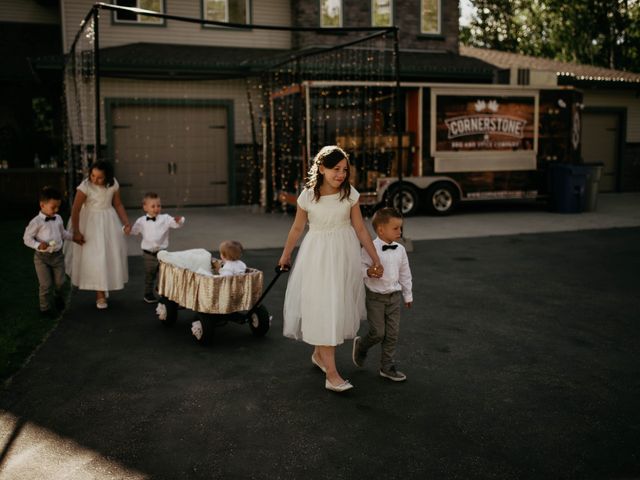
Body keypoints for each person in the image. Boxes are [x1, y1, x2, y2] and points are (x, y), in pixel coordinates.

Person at [278, 145, 383, 393]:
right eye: (336, 169)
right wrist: (285, 255)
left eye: (344, 170)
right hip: (318, 257)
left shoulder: (349, 194)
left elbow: (359, 229)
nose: (341, 175)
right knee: (325, 308)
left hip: (344, 256)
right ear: (321, 168)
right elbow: (296, 229)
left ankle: (318, 355)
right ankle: (332, 374)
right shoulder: (308, 196)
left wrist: (375, 257)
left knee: (337, 305)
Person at [353, 207, 413, 382]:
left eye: (400, 228)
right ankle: (362, 345)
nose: (399, 231)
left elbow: (405, 273)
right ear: (381, 230)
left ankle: (387, 367)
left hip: (394, 297)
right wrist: (369, 272)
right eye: (395, 228)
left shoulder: (401, 250)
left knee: (392, 334)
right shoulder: (370, 248)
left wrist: (407, 295)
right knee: (378, 333)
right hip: (375, 298)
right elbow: (359, 268)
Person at [66, 160, 130, 309]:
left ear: (107, 177)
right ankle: (99, 293)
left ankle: (104, 284)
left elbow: (118, 204)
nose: (95, 179)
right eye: (93, 175)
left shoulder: (113, 184)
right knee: (95, 256)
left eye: (99, 177)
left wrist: (126, 222)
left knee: (108, 254)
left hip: (108, 221)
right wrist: (76, 231)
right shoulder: (86, 186)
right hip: (90, 222)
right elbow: (75, 209)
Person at [23, 186, 72, 317]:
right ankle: (44, 309)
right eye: (53, 207)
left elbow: (63, 234)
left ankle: (58, 296)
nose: (56, 210)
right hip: (41, 258)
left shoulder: (59, 218)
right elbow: (26, 238)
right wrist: (38, 245)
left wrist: (74, 237)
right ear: (42, 205)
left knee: (61, 283)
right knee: (45, 284)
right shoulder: (36, 222)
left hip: (58, 256)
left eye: (58, 207)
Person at [129, 192, 185, 303]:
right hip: (148, 254)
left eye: (158, 206)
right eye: (153, 206)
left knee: (164, 274)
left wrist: (179, 221)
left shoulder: (165, 218)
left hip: (162, 253)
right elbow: (134, 231)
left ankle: (160, 288)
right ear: (145, 207)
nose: (156, 208)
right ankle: (148, 294)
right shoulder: (141, 221)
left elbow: (175, 224)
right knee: (150, 275)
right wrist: (126, 229)